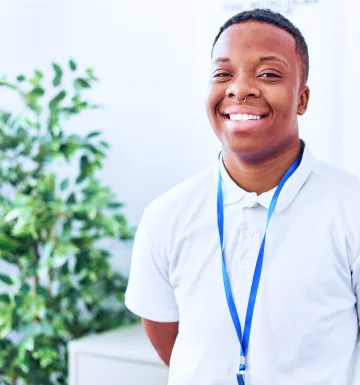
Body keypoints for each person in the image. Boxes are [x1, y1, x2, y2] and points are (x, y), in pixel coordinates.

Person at [125, 8, 360, 385]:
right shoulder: (166, 214)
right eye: (223, 74)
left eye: (268, 74)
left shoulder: (351, 209)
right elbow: (167, 335)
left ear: (302, 98)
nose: (240, 89)